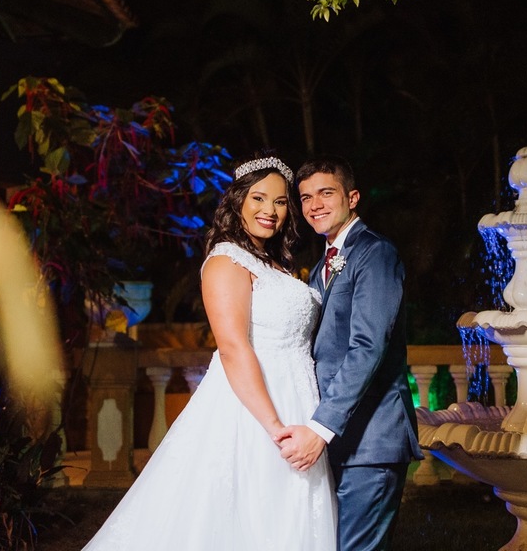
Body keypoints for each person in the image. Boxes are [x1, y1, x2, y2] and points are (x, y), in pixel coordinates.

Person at [82, 154, 336, 551]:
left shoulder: (277, 265)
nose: (269, 211)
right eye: (258, 198)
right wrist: (274, 428)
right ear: (237, 201)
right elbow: (233, 348)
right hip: (256, 410)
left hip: (299, 399)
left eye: (280, 201)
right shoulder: (225, 261)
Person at [278, 156, 422, 551]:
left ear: (352, 197)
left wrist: (320, 428)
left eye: (326, 193)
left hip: (371, 440)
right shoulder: (320, 267)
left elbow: (367, 347)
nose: (314, 205)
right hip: (340, 437)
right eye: (305, 197)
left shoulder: (375, 253)